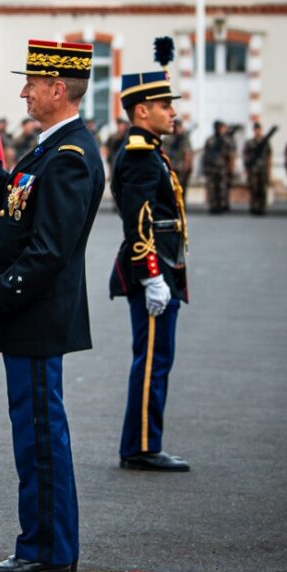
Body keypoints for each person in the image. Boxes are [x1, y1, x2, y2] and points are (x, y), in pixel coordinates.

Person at [0, 39, 104, 572]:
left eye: (32, 84)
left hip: (36, 317)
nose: (23, 91)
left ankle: (47, 550)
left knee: (41, 436)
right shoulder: (49, 149)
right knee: (34, 433)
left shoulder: (69, 158)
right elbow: (11, 199)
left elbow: (48, 252)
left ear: (58, 89)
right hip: (29, 319)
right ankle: (43, 543)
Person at [108, 68, 190, 473]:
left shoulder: (150, 148)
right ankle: (141, 446)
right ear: (142, 111)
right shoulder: (140, 154)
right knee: (153, 360)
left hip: (162, 266)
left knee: (157, 358)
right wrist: (152, 275)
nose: (172, 112)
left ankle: (143, 442)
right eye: (164, 105)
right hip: (153, 270)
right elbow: (139, 222)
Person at [201, 120, 234, 214]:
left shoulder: (226, 140)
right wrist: (205, 167)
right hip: (211, 168)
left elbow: (231, 155)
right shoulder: (210, 140)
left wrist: (231, 168)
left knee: (222, 187)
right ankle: (213, 206)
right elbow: (205, 155)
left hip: (223, 168)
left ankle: (222, 205)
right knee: (212, 187)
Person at [242, 123, 273, 215]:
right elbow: (245, 156)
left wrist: (269, 170)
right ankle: (254, 207)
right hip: (253, 171)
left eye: (258, 129)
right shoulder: (249, 143)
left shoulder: (266, 143)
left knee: (262, 189)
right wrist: (246, 169)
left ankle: (262, 208)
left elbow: (269, 157)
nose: (257, 131)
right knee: (254, 189)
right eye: (256, 129)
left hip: (263, 170)